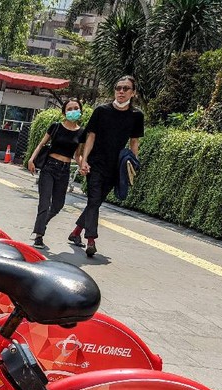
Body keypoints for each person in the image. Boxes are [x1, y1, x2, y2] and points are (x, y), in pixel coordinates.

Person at [70, 75, 144, 257]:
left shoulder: (136, 116)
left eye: (126, 88)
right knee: (94, 200)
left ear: (133, 93)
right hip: (96, 163)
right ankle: (91, 240)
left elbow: (134, 141)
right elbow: (91, 137)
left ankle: (76, 232)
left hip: (116, 167)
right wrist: (84, 160)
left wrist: (133, 164)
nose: (121, 91)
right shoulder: (101, 111)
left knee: (97, 201)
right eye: (118, 88)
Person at [27, 98, 86, 249]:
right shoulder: (56, 126)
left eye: (76, 108)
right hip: (49, 167)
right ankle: (39, 236)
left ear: (80, 111)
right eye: (70, 109)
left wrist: (83, 166)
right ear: (64, 112)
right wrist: (31, 160)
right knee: (44, 202)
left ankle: (42, 223)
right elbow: (42, 144)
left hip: (64, 170)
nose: (73, 111)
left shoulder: (81, 132)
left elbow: (77, 155)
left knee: (58, 205)